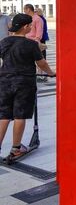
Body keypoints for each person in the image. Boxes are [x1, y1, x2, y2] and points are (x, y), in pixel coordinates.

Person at [0, 14, 55, 160]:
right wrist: (51, 73)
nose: (31, 27)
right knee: (20, 115)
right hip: (24, 83)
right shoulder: (30, 44)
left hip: (4, 81)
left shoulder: (4, 42)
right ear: (25, 27)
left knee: (4, 115)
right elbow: (41, 63)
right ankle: (16, 148)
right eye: (30, 25)